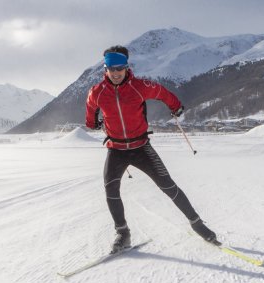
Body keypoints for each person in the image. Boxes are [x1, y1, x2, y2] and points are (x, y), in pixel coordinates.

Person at [85, 45, 218, 253]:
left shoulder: (140, 86)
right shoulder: (97, 92)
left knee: (168, 186)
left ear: (126, 67)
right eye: (112, 68)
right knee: (111, 189)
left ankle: (197, 223)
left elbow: (163, 93)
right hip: (116, 149)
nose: (116, 73)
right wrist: (92, 122)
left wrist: (176, 107)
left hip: (141, 148)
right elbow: (91, 109)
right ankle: (123, 233)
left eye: (120, 68)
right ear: (106, 68)